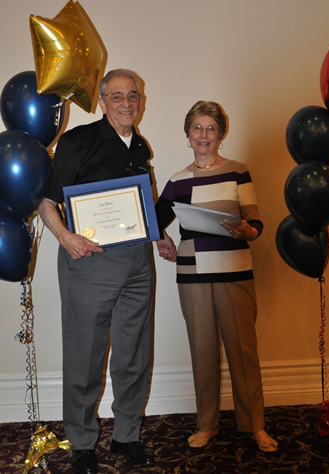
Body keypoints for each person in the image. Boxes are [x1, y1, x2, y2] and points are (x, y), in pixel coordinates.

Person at [38, 69, 175, 474]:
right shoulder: (77, 142)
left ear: (141, 101)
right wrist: (66, 238)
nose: (126, 102)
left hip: (138, 264)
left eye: (133, 95)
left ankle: (127, 435)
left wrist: (159, 235)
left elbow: (144, 200)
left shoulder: (141, 146)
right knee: (85, 356)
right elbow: (47, 201)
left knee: (134, 355)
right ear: (102, 101)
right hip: (89, 261)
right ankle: (82, 442)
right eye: (117, 96)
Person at [155, 101, 278, 452]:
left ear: (221, 134)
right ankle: (206, 424)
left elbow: (255, 223)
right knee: (202, 350)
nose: (204, 135)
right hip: (192, 274)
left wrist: (247, 231)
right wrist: (161, 237)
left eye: (211, 128)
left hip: (234, 270)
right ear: (187, 134)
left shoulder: (239, 172)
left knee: (243, 349)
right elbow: (153, 219)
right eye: (197, 128)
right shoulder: (177, 181)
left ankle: (255, 425)